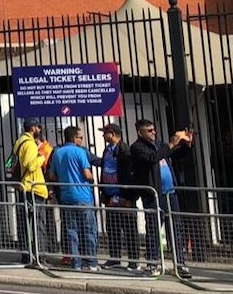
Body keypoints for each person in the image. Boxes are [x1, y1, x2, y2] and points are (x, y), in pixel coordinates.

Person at [129, 119, 193, 279]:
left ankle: (180, 264)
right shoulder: (137, 147)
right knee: (154, 229)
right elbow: (152, 158)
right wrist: (171, 143)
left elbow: (177, 154)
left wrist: (187, 144)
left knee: (176, 229)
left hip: (170, 193)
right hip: (154, 195)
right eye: (149, 130)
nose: (153, 132)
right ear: (140, 132)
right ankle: (152, 263)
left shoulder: (159, 144)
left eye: (153, 129)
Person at [47, 126, 98, 271]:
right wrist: (92, 179)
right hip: (83, 196)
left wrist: (63, 180)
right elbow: (87, 174)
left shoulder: (57, 153)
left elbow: (51, 176)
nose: (81, 140)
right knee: (88, 230)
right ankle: (91, 262)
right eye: (80, 137)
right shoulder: (80, 152)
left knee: (71, 231)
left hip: (66, 196)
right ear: (75, 138)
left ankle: (76, 263)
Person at [94, 123, 138, 270]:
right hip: (110, 197)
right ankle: (114, 258)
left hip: (123, 198)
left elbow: (130, 175)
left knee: (129, 230)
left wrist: (129, 198)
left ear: (112, 134)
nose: (103, 136)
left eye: (105, 133)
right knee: (113, 229)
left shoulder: (124, 150)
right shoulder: (107, 150)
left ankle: (133, 260)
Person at [13, 119, 54, 263]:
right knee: (38, 224)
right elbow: (30, 165)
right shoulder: (30, 144)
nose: (40, 129)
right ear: (32, 128)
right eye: (38, 127)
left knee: (24, 223)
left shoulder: (19, 142)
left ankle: (26, 255)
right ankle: (39, 256)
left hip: (24, 187)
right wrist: (42, 157)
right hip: (34, 188)